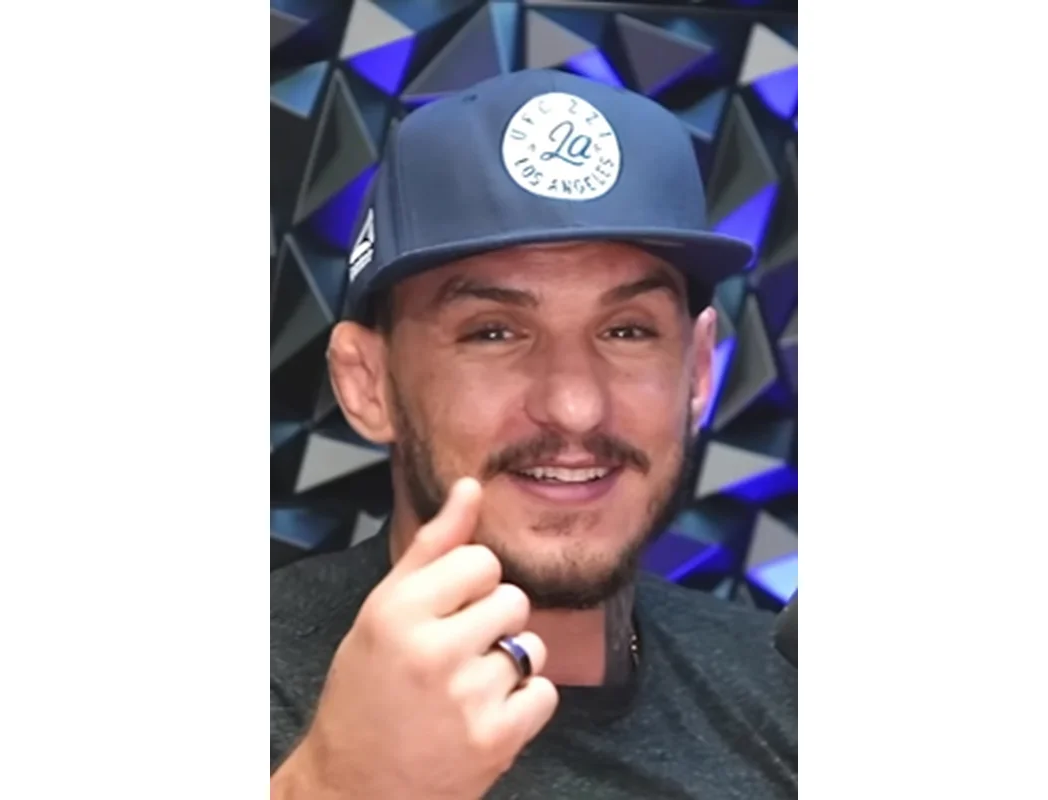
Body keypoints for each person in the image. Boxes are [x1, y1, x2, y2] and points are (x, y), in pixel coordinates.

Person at [270, 69, 797, 799]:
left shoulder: (784, 685)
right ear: (368, 382)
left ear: (699, 370)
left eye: (627, 330)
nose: (575, 406)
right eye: (493, 331)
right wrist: (336, 787)